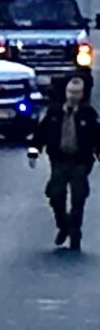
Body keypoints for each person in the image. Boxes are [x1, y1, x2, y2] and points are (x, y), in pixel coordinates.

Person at [28, 75, 100, 251]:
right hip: (59, 161)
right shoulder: (54, 113)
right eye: (70, 92)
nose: (73, 96)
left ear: (82, 94)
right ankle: (64, 225)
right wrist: (34, 150)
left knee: (78, 198)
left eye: (77, 93)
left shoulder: (88, 115)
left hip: (80, 163)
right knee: (55, 195)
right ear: (65, 92)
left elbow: (97, 137)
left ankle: (75, 234)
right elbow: (41, 133)